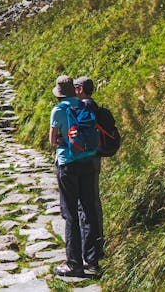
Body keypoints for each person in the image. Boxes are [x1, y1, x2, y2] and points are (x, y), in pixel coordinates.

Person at [50, 75, 101, 277]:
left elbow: (53, 141)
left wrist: (63, 138)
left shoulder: (59, 110)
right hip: (88, 161)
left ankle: (74, 264)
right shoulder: (84, 106)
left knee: (70, 213)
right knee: (88, 209)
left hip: (68, 164)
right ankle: (93, 261)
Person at [74, 76, 105, 263]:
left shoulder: (84, 107)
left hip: (86, 160)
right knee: (93, 202)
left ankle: (93, 250)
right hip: (95, 158)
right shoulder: (94, 106)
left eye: (76, 87)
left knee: (87, 205)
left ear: (80, 89)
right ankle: (97, 244)